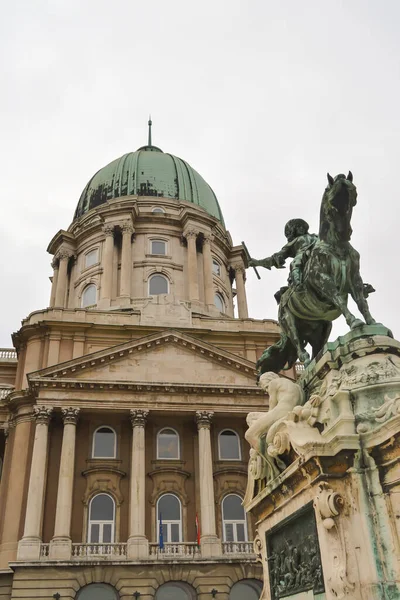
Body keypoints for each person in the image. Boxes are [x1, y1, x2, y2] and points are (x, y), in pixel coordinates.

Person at [249, 218, 317, 288]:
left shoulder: (316, 236)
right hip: (303, 256)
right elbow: (273, 259)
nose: (301, 228)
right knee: (295, 264)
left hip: (320, 250)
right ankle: (298, 286)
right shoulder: (292, 243)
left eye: (302, 226)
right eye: (298, 226)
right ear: (293, 230)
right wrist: (257, 262)